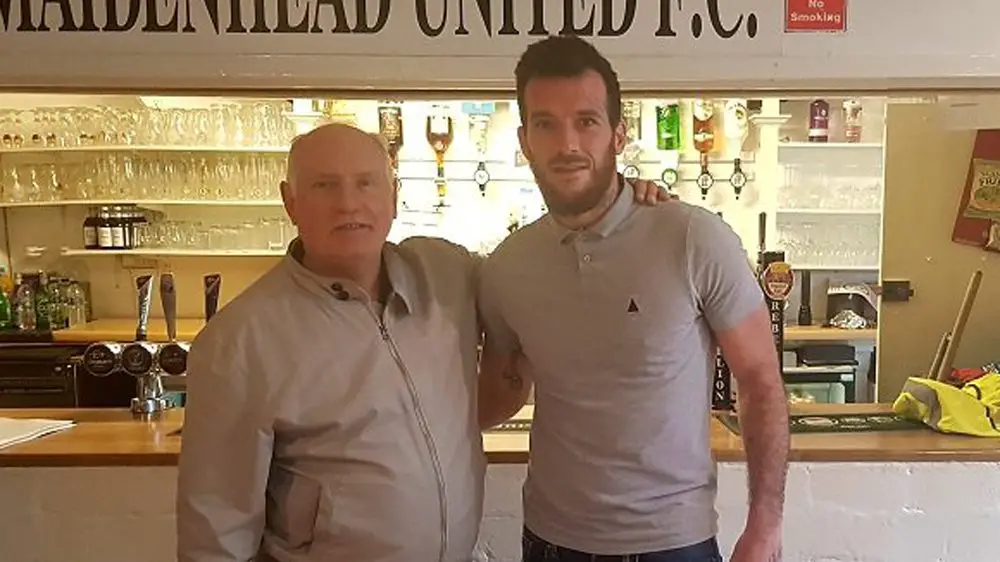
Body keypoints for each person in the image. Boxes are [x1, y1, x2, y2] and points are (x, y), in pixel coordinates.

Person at [176, 122, 672, 562]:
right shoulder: (239, 341)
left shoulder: (445, 271)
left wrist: (618, 210)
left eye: (366, 183)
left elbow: (537, 277)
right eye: (325, 186)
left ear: (392, 195)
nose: (349, 203)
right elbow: (215, 529)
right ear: (290, 202)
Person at [477, 36, 790, 562]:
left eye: (587, 121)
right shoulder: (507, 265)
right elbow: (502, 390)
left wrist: (765, 526)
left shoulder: (693, 238)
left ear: (619, 135)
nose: (567, 143)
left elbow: (759, 378)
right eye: (546, 125)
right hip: (550, 542)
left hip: (673, 544)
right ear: (525, 140)